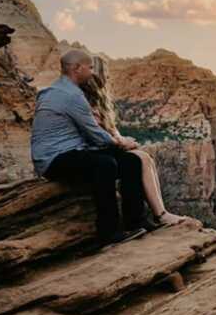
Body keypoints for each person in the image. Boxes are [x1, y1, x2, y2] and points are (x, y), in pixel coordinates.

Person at [31, 49, 147, 245]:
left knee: (131, 161)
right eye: (90, 67)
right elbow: (95, 134)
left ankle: (136, 222)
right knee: (105, 164)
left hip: (72, 152)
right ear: (77, 68)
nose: (93, 72)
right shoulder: (71, 95)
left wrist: (122, 148)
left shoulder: (58, 90)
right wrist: (123, 143)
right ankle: (108, 233)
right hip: (53, 160)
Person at [80, 56, 193, 226]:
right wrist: (122, 142)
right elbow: (97, 132)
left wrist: (123, 139)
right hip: (95, 149)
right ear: (97, 77)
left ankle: (159, 213)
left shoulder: (97, 99)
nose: (109, 80)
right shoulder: (85, 100)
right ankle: (159, 214)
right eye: (107, 76)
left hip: (106, 145)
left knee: (144, 158)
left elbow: (111, 129)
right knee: (140, 159)